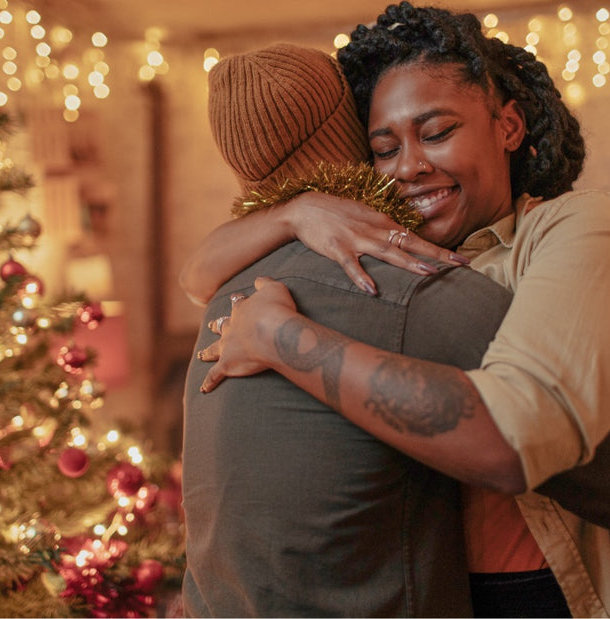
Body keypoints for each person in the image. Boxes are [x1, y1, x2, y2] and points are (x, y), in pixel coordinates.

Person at [189, 3, 610, 617]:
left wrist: (281, 338)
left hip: (558, 591)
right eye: (384, 149)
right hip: (439, 590)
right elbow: (197, 275)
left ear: (507, 127)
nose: (409, 166)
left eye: (436, 133)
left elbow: (520, 434)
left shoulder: (575, 226)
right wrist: (295, 213)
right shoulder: (385, 255)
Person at [182, 42, 511, 617]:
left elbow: (192, 276)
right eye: (386, 145)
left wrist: (290, 211)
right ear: (354, 133)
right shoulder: (411, 283)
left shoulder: (225, 292)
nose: (409, 165)